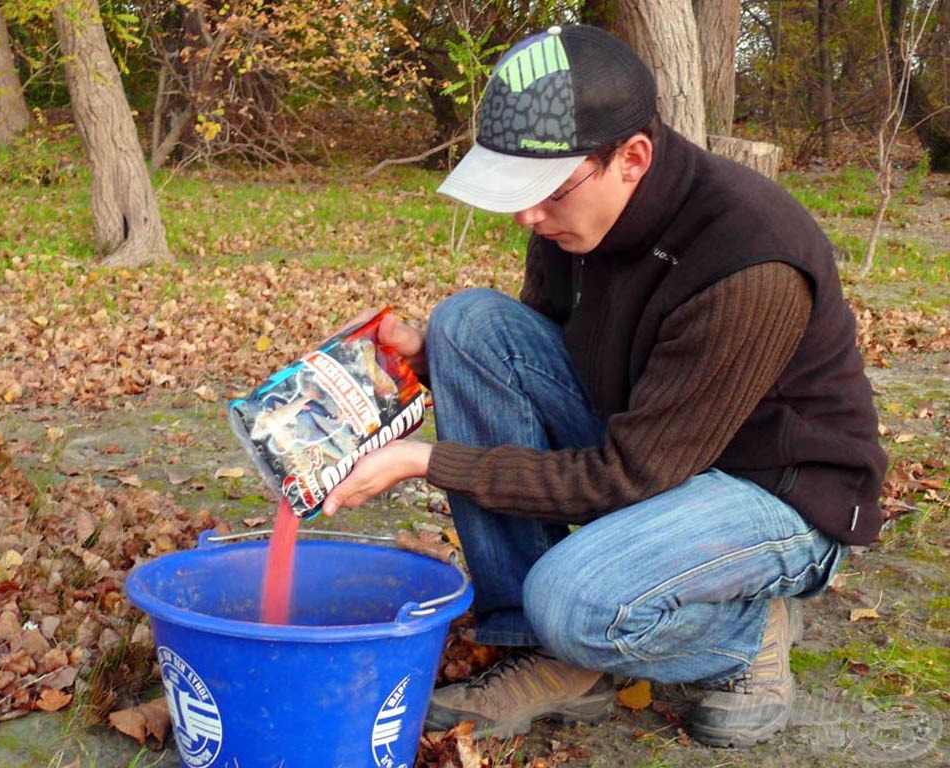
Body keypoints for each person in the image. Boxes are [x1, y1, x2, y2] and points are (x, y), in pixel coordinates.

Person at [321, 24, 887, 748]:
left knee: (574, 600)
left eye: (547, 192)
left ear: (633, 158)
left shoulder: (748, 260)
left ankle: (747, 626)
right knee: (466, 324)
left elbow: (630, 473)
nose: (527, 215)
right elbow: (525, 367)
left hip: (777, 490)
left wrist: (428, 461)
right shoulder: (574, 220)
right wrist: (426, 361)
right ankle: (544, 653)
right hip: (659, 437)